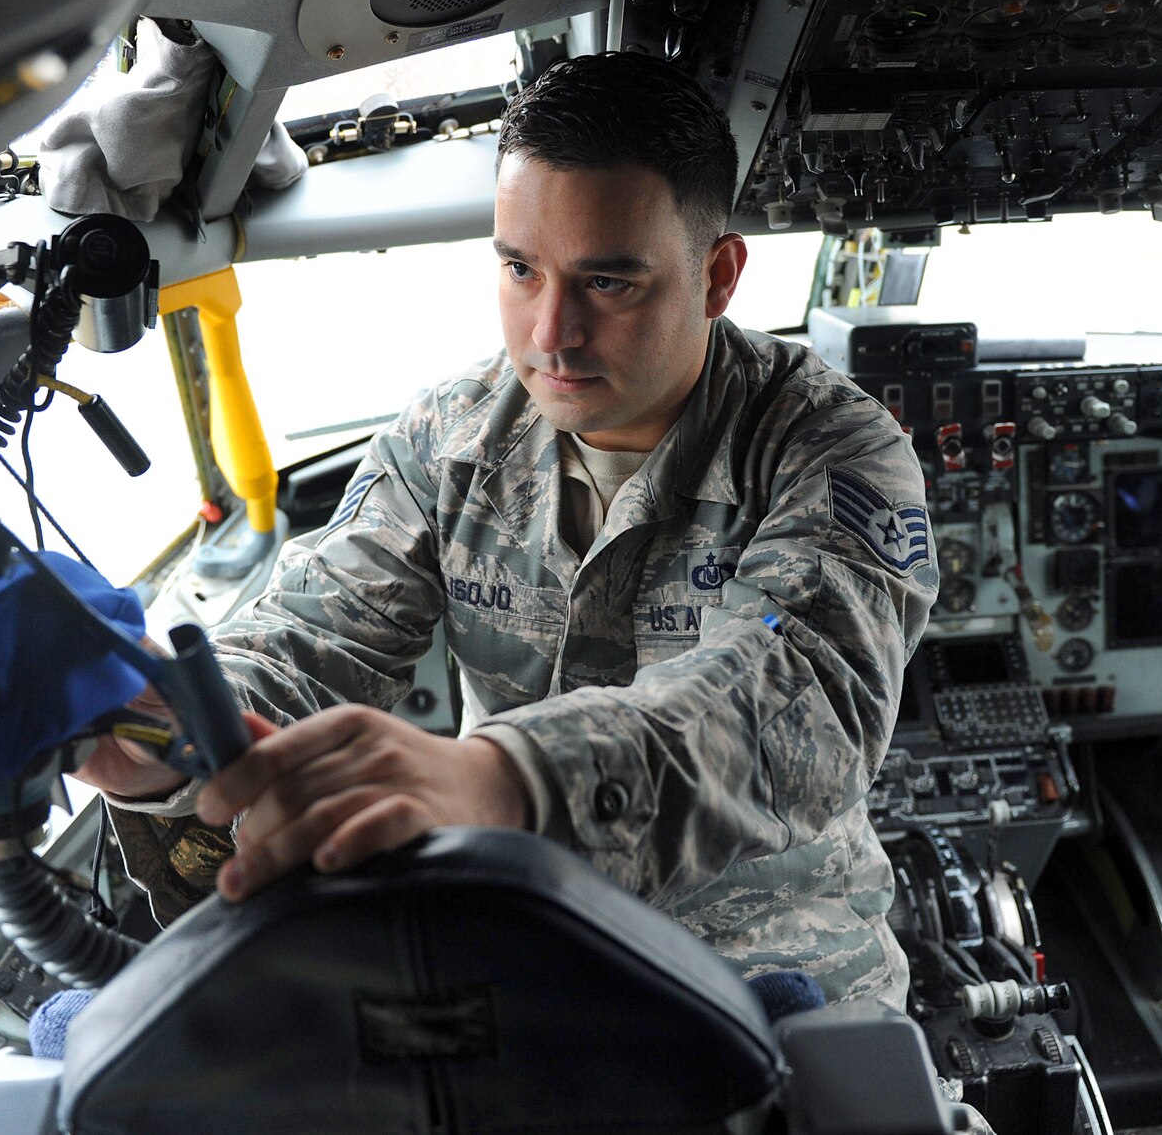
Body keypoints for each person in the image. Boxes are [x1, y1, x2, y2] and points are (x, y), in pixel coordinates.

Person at [76, 51, 939, 1006]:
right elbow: (311, 638)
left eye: (608, 283)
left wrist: (509, 781)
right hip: (523, 939)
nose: (550, 333)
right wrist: (157, 729)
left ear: (719, 274)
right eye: (521, 269)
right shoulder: (448, 436)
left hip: (776, 964)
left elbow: (791, 700)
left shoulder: (831, 447)